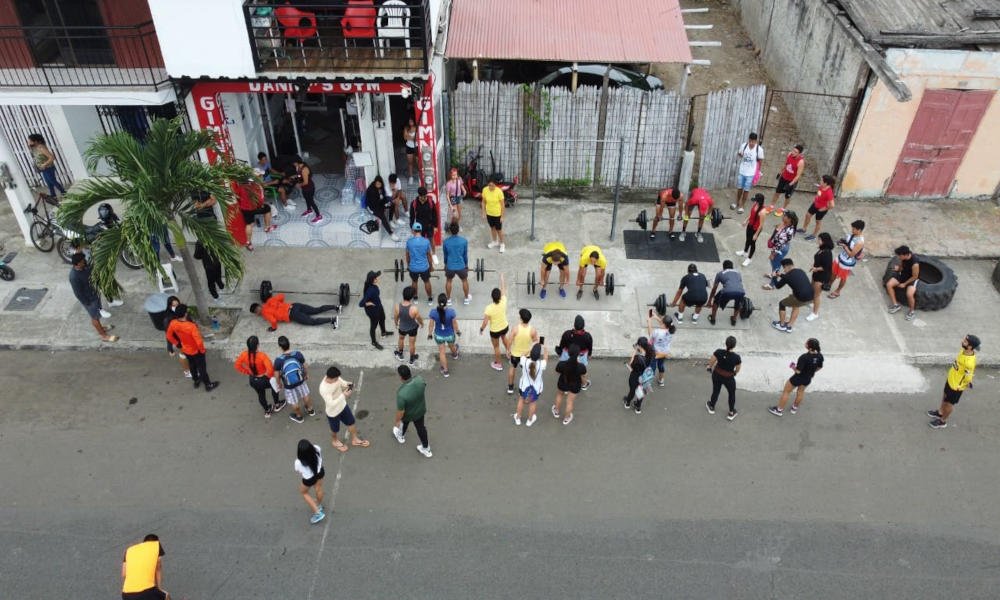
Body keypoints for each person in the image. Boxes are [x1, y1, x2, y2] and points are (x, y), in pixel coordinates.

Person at [928, 335, 980, 429]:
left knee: (949, 404)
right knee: (944, 396)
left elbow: (968, 377)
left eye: (965, 341)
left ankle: (942, 421)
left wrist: (966, 383)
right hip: (950, 380)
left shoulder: (969, 363)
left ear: (970, 347)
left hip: (956, 387)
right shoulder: (963, 351)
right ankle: (940, 412)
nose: (962, 341)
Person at [165, 304, 218, 391]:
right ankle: (208, 385)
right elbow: (199, 341)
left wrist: (178, 344)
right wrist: (202, 350)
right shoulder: (191, 326)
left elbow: (169, 335)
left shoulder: (173, 323)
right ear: (185, 314)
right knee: (202, 369)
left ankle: (196, 381)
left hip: (185, 349)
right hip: (196, 351)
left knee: (192, 365)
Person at [69, 253, 118, 343]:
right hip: (90, 300)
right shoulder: (74, 277)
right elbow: (78, 293)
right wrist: (88, 303)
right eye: (83, 261)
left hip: (95, 294)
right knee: (95, 317)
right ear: (78, 264)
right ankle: (103, 336)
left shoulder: (85, 267)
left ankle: (101, 328)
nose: (85, 262)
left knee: (98, 313)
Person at [769, 338, 824, 417]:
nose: (805, 343)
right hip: (808, 378)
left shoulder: (804, 357)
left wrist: (793, 366)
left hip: (797, 378)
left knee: (786, 392)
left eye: (807, 343)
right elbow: (819, 367)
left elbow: (798, 371)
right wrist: (812, 372)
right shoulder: (820, 356)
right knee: (800, 392)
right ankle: (794, 409)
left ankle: (779, 410)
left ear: (810, 347)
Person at [319, 366, 369, 452]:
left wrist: (349, 385)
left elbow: (342, 383)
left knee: (351, 422)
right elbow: (331, 403)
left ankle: (355, 439)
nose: (338, 379)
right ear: (331, 378)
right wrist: (344, 395)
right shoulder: (323, 388)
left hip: (343, 406)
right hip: (333, 412)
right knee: (335, 429)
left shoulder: (336, 378)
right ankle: (334, 441)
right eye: (336, 378)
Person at [234, 335, 282, 420]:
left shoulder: (243, 355)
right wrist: (266, 375)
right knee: (275, 388)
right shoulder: (262, 356)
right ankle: (277, 405)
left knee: (260, 394)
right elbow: (270, 369)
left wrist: (247, 372)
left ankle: (267, 410)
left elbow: (237, 366)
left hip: (253, 380)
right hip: (264, 379)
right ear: (257, 345)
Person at [392, 365, 432, 457]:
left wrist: (397, 421)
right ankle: (426, 448)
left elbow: (401, 412)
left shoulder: (401, 394)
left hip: (408, 414)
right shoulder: (419, 379)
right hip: (420, 411)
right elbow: (424, 385)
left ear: (401, 377)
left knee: (404, 423)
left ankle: (401, 436)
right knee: (421, 429)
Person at [273, 336, 315, 424]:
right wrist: (306, 375)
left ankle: (299, 417)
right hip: (300, 380)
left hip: (289, 385)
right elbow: (305, 365)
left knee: (294, 401)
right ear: (289, 344)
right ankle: (310, 410)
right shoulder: (297, 354)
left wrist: (279, 383)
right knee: (305, 395)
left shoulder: (278, 361)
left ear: (280, 347)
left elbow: (277, 375)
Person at [250, 293, 339, 330]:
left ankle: (333, 320)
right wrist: (281, 305)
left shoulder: (265, 314)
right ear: (259, 305)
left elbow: (273, 321)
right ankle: (336, 307)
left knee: (312, 322)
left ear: (257, 312)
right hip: (295, 305)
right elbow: (281, 296)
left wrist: (273, 328)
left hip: (293, 314)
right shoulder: (269, 301)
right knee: (316, 310)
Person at [121, 533, 169, 600]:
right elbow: (158, 568)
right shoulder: (155, 545)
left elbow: (124, 574)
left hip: (126, 594)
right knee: (166, 596)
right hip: (146, 592)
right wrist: (159, 588)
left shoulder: (129, 550)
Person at [771, 258, 814, 333]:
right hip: (811, 297)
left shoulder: (787, 276)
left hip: (800, 297)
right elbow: (791, 278)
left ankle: (781, 325)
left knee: (782, 304)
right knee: (796, 305)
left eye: (784, 268)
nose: (784, 270)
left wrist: (774, 277)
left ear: (787, 266)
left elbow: (778, 286)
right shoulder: (800, 271)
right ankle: (789, 326)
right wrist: (780, 275)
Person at [480, 274, 512, 372]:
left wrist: (481, 329)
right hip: (505, 327)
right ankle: (510, 356)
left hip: (495, 331)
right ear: (499, 296)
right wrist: (502, 278)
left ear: (492, 297)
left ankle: (498, 364)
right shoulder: (504, 301)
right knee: (504, 338)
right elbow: (503, 289)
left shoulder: (489, 308)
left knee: (496, 347)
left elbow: (485, 322)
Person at [828, 220, 865, 299]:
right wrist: (842, 242)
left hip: (847, 262)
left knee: (843, 277)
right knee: (833, 272)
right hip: (841, 257)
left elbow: (852, 255)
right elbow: (847, 242)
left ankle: (837, 291)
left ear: (859, 230)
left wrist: (844, 246)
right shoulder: (852, 235)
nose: (852, 230)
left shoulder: (860, 242)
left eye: (854, 229)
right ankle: (829, 284)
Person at [706, 335, 741, 421]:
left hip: (717, 374)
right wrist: (735, 373)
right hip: (729, 378)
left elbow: (712, 360)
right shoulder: (736, 357)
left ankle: (711, 406)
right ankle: (731, 412)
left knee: (716, 390)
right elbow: (738, 368)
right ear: (734, 346)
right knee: (731, 393)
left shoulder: (719, 352)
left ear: (725, 343)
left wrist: (709, 367)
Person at [555, 315, 594, 391]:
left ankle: (566, 385)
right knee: (582, 372)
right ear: (583, 326)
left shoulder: (567, 334)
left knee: (566, 369)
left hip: (567, 355)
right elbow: (590, 347)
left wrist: (560, 352)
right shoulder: (587, 336)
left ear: (574, 325)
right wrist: (589, 355)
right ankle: (584, 384)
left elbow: (561, 345)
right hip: (581, 356)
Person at [507, 308, 540, 395]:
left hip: (515, 354)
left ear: (521, 318)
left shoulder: (515, 329)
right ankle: (524, 388)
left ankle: (510, 388)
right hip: (527, 355)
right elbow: (536, 341)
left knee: (512, 368)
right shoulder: (532, 330)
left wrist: (508, 350)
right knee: (526, 372)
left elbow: (509, 341)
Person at [513, 343, 547, 427]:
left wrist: (530, 348)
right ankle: (529, 420)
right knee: (533, 403)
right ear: (539, 355)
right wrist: (545, 349)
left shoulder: (524, 361)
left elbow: (522, 354)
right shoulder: (542, 364)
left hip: (523, 386)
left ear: (531, 353)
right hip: (537, 388)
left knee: (521, 400)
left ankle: (518, 418)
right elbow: (546, 358)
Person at [762, 211, 798, 290]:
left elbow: (780, 244)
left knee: (776, 265)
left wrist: (773, 253)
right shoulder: (785, 224)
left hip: (780, 249)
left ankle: (772, 284)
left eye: (784, 216)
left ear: (789, 219)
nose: (783, 216)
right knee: (773, 263)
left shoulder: (789, 230)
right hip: (779, 247)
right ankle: (772, 274)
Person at [553, 344, 586, 425]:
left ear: (568, 353)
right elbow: (583, 376)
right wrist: (584, 383)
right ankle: (566, 418)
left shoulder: (561, 364)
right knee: (570, 402)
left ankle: (556, 411)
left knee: (559, 395)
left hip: (563, 382)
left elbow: (557, 372)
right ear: (578, 354)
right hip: (575, 385)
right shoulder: (581, 366)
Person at [428, 293, 460, 377]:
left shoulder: (433, 312)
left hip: (438, 335)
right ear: (446, 302)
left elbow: (431, 325)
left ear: (438, 302)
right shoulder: (451, 312)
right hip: (449, 334)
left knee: (442, 352)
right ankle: (455, 354)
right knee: (452, 345)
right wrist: (457, 331)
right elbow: (455, 324)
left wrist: (429, 334)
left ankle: (445, 371)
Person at [236, 180, 275, 251]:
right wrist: (261, 205)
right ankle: (267, 227)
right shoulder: (257, 186)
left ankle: (248, 242)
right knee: (268, 208)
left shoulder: (240, 187)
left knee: (248, 224)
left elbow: (238, 197)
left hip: (245, 209)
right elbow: (261, 200)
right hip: (255, 207)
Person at [294, 439, 326, 524]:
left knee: (304, 492)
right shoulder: (317, 448)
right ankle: (318, 505)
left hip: (309, 479)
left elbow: (299, 471)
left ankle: (318, 513)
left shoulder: (298, 462)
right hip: (320, 472)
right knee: (318, 488)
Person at [359, 270, 393, 350]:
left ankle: (383, 332)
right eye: (375, 277)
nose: (377, 278)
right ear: (372, 280)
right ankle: (374, 342)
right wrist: (369, 303)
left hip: (378, 306)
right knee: (373, 326)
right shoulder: (370, 290)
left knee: (382, 318)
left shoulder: (373, 286)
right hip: (373, 311)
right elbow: (361, 304)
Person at [886, 245, 920, 321]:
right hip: (903, 275)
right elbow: (902, 265)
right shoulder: (904, 257)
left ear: (905, 255)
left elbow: (915, 276)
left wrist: (904, 284)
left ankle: (912, 312)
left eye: (899, 256)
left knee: (909, 294)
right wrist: (899, 269)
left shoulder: (915, 264)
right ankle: (896, 305)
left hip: (912, 279)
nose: (898, 257)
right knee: (889, 284)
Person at [805, 233, 835, 321]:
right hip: (816, 273)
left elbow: (826, 267)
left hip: (822, 276)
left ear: (824, 241)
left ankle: (815, 313)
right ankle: (812, 302)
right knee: (812, 289)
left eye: (819, 239)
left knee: (817, 295)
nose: (818, 241)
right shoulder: (822, 249)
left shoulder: (827, 253)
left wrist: (816, 268)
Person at [28, 133, 66, 199]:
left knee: (53, 181)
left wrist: (44, 164)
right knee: (49, 183)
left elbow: (52, 157)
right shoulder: (35, 148)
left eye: (30, 141)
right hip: (44, 169)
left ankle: (63, 192)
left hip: (49, 168)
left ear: (36, 141)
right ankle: (53, 195)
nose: (29, 142)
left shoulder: (41, 147)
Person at [708, 260, 746, 327]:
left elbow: (714, 288)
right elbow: (738, 284)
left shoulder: (720, 273)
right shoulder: (738, 273)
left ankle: (713, 319)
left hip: (727, 292)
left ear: (723, 267)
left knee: (716, 301)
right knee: (738, 303)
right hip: (741, 292)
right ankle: (734, 320)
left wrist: (709, 300)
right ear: (732, 267)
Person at [623, 337, 655, 414]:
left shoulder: (638, 358)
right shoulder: (650, 353)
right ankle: (638, 407)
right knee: (641, 391)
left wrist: (635, 352)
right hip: (645, 377)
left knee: (632, 391)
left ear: (640, 346)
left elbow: (631, 365)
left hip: (635, 376)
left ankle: (627, 403)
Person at [442, 221, 471, 306]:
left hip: (450, 266)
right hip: (461, 266)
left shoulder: (446, 242)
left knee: (449, 281)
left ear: (450, 231)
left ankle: (448, 300)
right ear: (458, 230)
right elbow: (465, 255)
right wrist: (466, 265)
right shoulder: (464, 241)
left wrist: (445, 265)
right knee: (464, 280)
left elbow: (445, 255)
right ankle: (466, 299)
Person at [733, 132, 764, 213]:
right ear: (748, 140)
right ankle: (736, 202)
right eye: (750, 141)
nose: (751, 143)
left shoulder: (759, 149)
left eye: (753, 142)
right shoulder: (744, 145)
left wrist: (758, 172)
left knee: (746, 190)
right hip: (742, 171)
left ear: (756, 141)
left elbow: (760, 161)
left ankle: (742, 206)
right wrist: (740, 154)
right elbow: (739, 154)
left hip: (751, 173)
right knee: (740, 188)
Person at [405, 221, 434, 304]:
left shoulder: (409, 242)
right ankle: (430, 299)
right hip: (424, 267)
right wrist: (431, 266)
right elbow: (429, 255)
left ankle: (415, 298)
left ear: (413, 231)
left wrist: (408, 266)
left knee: (414, 282)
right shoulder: (426, 241)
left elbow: (407, 256)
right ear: (421, 231)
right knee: (427, 281)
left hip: (413, 268)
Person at [799, 175, 836, 241]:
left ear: (826, 183)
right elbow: (819, 192)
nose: (820, 181)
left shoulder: (829, 192)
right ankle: (803, 229)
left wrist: (824, 209)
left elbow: (832, 205)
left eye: (821, 180)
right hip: (815, 204)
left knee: (818, 222)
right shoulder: (822, 186)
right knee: (807, 215)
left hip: (822, 209)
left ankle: (814, 235)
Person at [393, 287, 424, 365]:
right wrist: (422, 324)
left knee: (401, 339)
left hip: (402, 327)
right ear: (412, 297)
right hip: (412, 328)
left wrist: (396, 323)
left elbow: (396, 317)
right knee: (412, 344)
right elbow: (419, 318)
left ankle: (400, 354)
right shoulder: (414, 309)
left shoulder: (397, 306)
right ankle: (412, 359)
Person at [162, 296, 190, 379]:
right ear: (170, 307)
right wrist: (170, 348)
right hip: (180, 340)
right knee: (183, 355)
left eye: (177, 304)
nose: (176, 307)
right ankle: (187, 372)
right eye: (174, 306)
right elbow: (168, 335)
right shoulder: (168, 319)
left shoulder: (182, 312)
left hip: (188, 338)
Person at [736, 193, 766, 267]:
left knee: (752, 243)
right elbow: (751, 214)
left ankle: (749, 258)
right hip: (750, 225)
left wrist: (756, 234)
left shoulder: (762, 212)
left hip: (756, 229)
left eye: (755, 200)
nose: (754, 201)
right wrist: (746, 221)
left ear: (759, 201)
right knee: (747, 239)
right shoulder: (755, 205)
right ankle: (745, 251)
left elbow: (761, 225)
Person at [364, 175, 398, 241]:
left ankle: (390, 220)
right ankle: (391, 234)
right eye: (377, 184)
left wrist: (387, 202)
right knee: (382, 216)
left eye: (380, 184)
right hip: (373, 207)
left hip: (380, 204)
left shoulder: (381, 188)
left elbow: (383, 198)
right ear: (375, 183)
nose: (378, 185)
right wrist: (384, 206)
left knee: (392, 204)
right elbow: (374, 204)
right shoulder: (371, 190)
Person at [409, 187, 439, 261]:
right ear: (419, 196)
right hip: (419, 226)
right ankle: (422, 255)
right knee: (420, 241)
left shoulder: (430, 201)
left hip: (429, 224)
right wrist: (412, 227)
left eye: (426, 196)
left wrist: (435, 226)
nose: (425, 198)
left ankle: (434, 254)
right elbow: (412, 217)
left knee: (431, 239)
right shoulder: (414, 203)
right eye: (423, 197)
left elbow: (435, 214)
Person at [647, 312, 676, 387]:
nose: (660, 321)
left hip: (656, 353)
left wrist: (649, 322)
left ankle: (648, 382)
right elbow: (664, 324)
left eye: (661, 320)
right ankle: (661, 381)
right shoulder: (671, 330)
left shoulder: (657, 332)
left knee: (652, 367)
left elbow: (650, 335)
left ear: (663, 324)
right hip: (664, 353)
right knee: (661, 365)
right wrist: (656, 317)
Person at [774, 144, 805, 209]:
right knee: (777, 192)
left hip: (791, 181)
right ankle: (772, 205)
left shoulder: (801, 162)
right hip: (784, 177)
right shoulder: (789, 154)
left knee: (787, 196)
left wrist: (790, 184)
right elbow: (785, 164)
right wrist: (780, 173)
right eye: (793, 150)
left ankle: (783, 208)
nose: (793, 153)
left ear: (799, 154)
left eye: (795, 152)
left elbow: (798, 176)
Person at [293, 155, 321, 223]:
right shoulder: (298, 167)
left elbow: (306, 182)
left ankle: (319, 216)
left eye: (293, 163)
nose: (293, 164)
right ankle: (309, 210)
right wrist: (296, 177)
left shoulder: (304, 169)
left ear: (297, 162)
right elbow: (299, 176)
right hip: (304, 188)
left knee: (311, 201)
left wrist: (298, 185)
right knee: (306, 199)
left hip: (309, 188)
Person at [481, 179, 506, 253]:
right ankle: (495, 241)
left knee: (499, 229)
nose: (491, 187)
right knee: (492, 228)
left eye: (492, 185)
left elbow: (502, 205)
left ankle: (502, 244)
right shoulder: (485, 190)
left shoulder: (499, 191)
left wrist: (502, 216)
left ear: (495, 185)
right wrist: (483, 212)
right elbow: (483, 202)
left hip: (497, 214)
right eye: (489, 185)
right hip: (489, 213)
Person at [403, 117, 417, 183]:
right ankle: (411, 177)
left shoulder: (417, 127)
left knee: (417, 162)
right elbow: (405, 137)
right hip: (409, 146)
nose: (410, 122)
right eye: (409, 121)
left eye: (411, 120)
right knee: (410, 163)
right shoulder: (406, 128)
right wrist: (412, 138)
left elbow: (417, 138)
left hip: (416, 146)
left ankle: (420, 176)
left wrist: (409, 137)